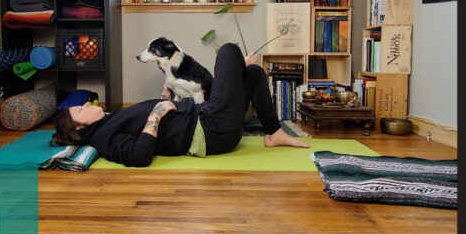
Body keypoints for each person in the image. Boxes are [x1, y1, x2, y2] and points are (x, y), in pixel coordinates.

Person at [53, 43, 309, 167]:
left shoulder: (108, 121)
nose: (86, 104)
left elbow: (156, 127)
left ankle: (273, 133)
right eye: (80, 110)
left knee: (253, 73)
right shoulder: (104, 138)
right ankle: (239, 65)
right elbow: (139, 155)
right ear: (79, 128)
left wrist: (163, 98)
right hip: (210, 131)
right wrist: (155, 114)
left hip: (205, 117)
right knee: (229, 51)